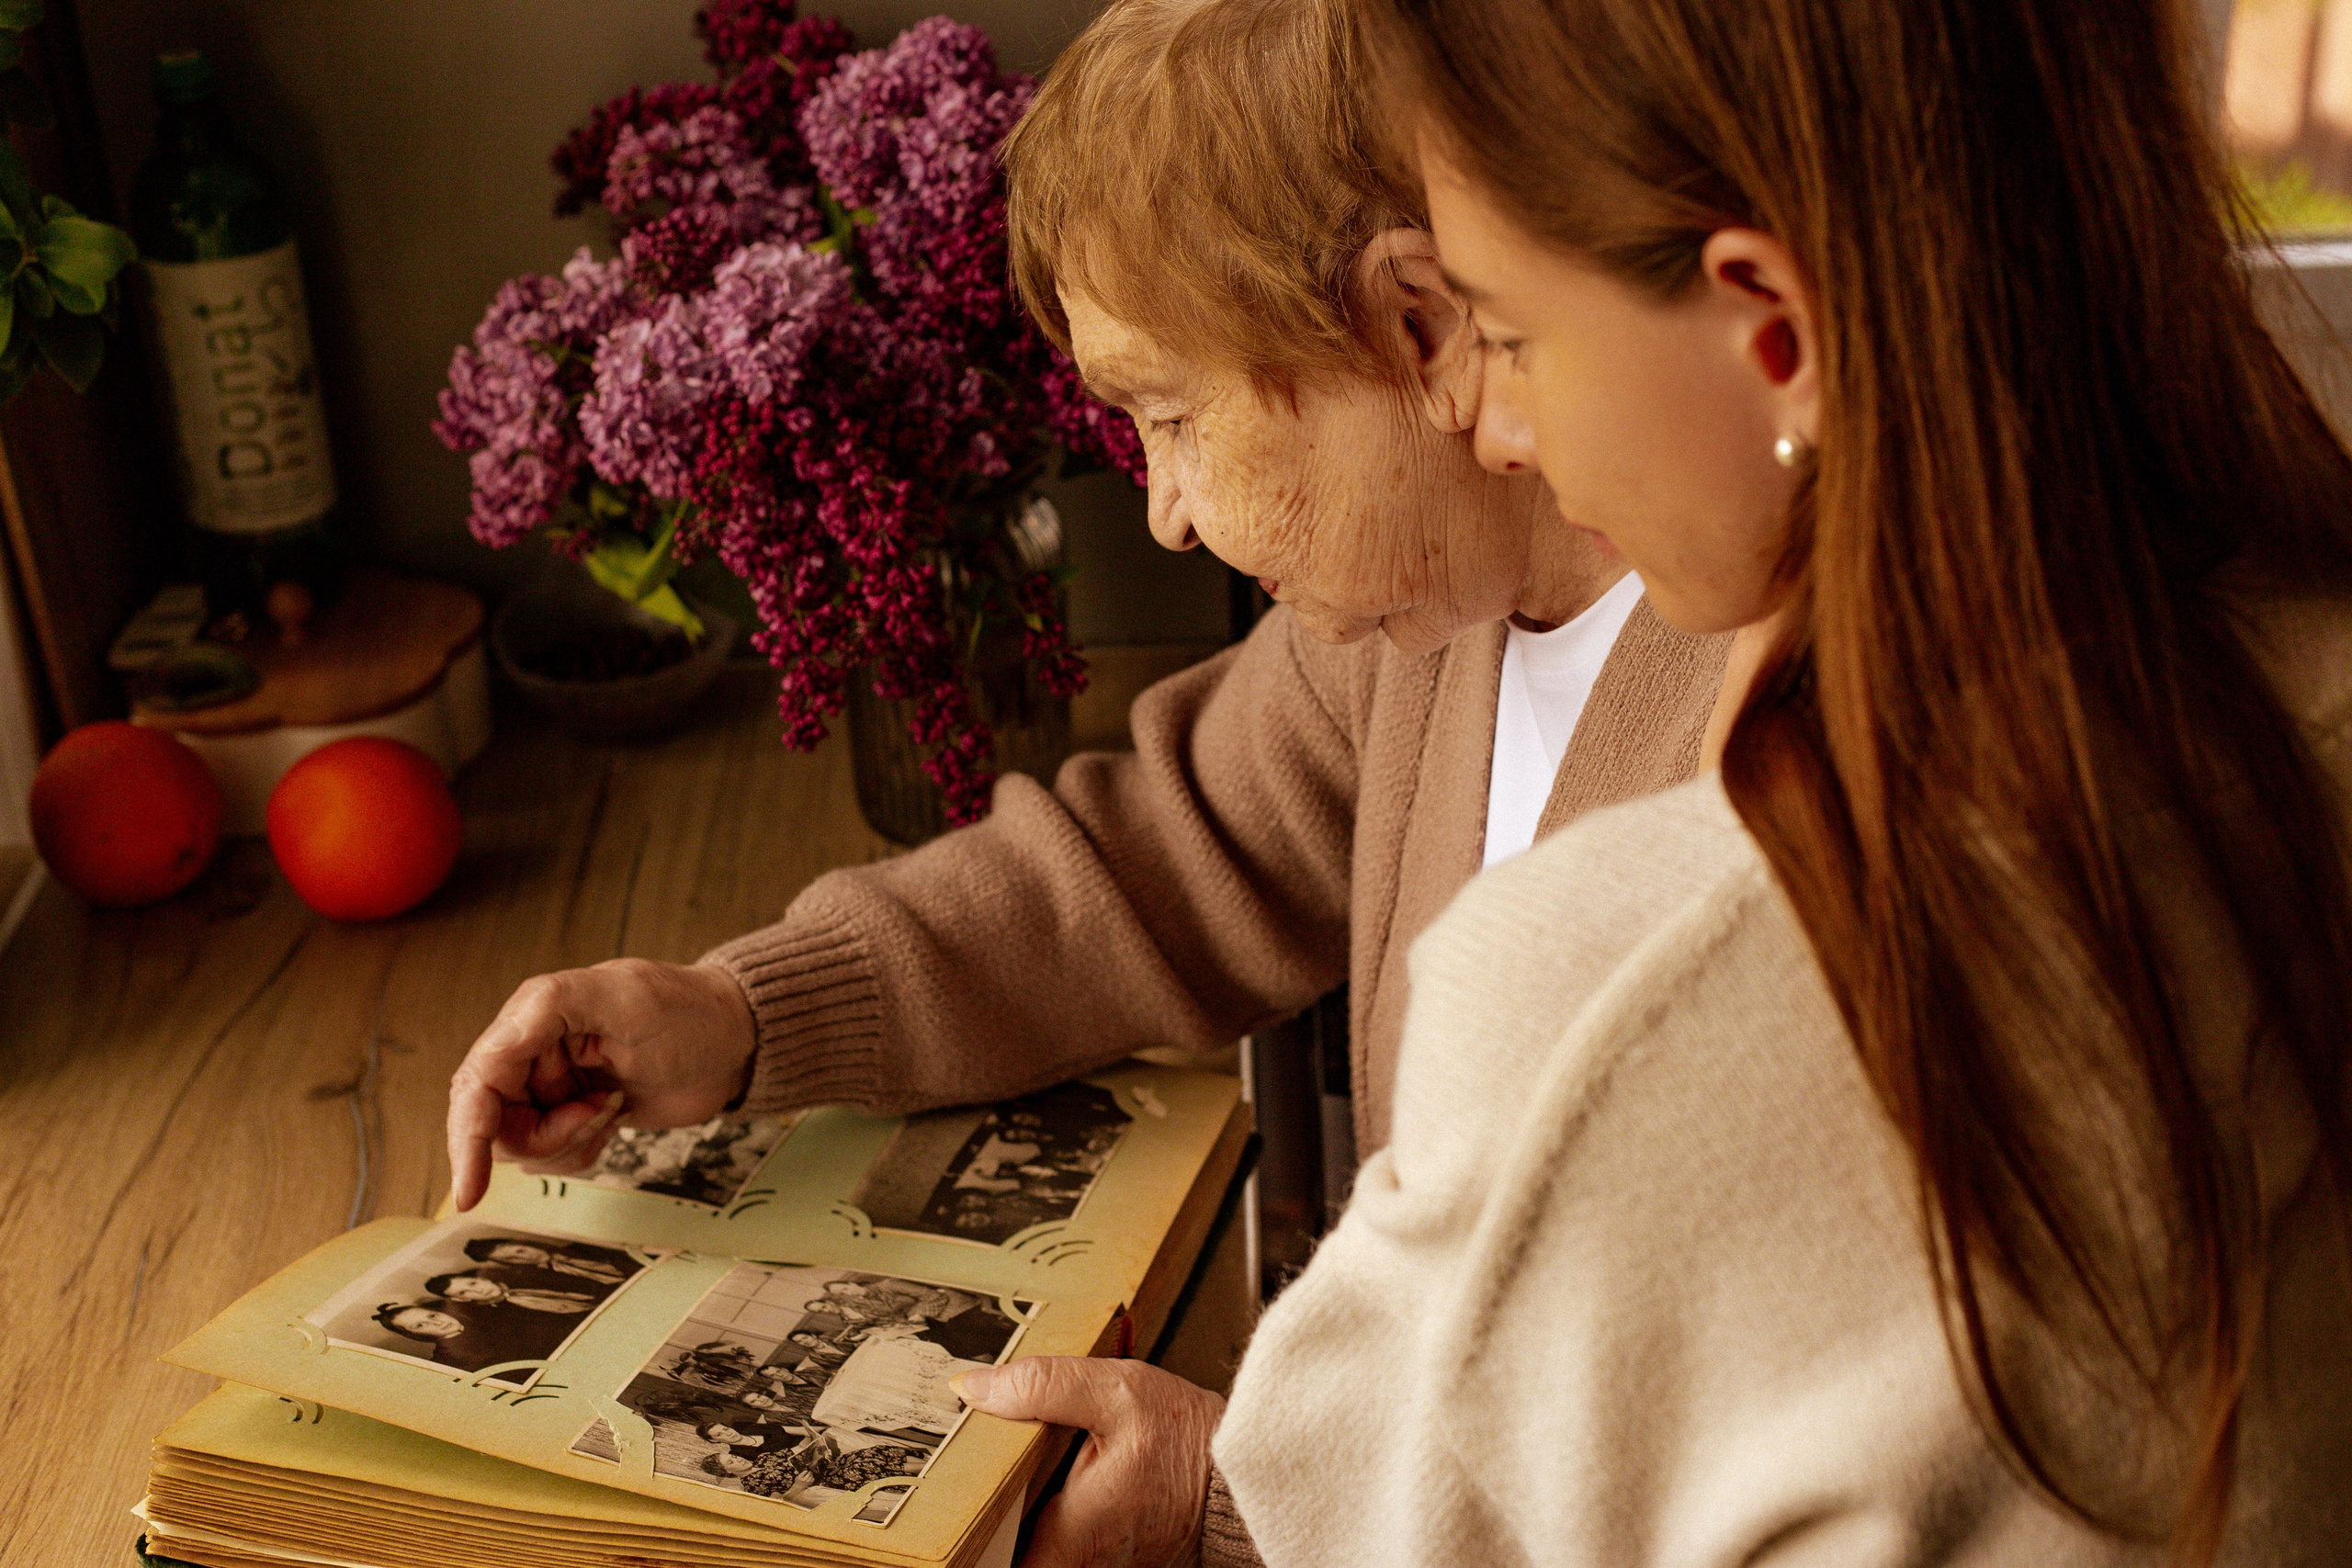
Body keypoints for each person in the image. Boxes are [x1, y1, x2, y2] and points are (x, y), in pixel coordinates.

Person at [956, 1, 2352, 1565]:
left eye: (1506, 327)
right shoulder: (2288, 684)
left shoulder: (1608, 990)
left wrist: (1235, 1499)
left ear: (1775, 333)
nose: (1486, 419)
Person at [443, 0, 1732, 1217]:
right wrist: (737, 1010)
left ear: (1422, 328)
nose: (1165, 511)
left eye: (1173, 416)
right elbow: (1153, 863)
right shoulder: (1418, 618)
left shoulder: (1758, 758)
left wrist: (1217, 1466)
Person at [423, 1271, 596, 1314]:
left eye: (473, 1283)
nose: (478, 1290)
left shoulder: (524, 1276)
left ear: (482, 1279)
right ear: (461, 1298)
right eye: (465, 1291)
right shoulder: (498, 1316)